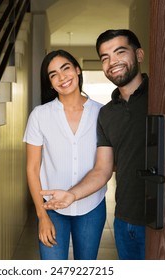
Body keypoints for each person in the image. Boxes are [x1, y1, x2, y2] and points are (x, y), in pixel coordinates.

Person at [41, 29, 148, 260]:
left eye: (120, 52)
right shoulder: (107, 114)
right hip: (125, 220)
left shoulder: (164, 96)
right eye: (105, 57)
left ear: (139, 54)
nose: (113, 62)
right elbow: (102, 169)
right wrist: (71, 194)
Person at [23, 49, 107, 260]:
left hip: (92, 206)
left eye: (66, 68)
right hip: (51, 208)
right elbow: (32, 168)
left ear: (77, 70)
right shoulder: (40, 116)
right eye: (53, 75)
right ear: (50, 83)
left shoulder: (102, 113)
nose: (62, 77)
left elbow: (107, 165)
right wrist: (42, 216)